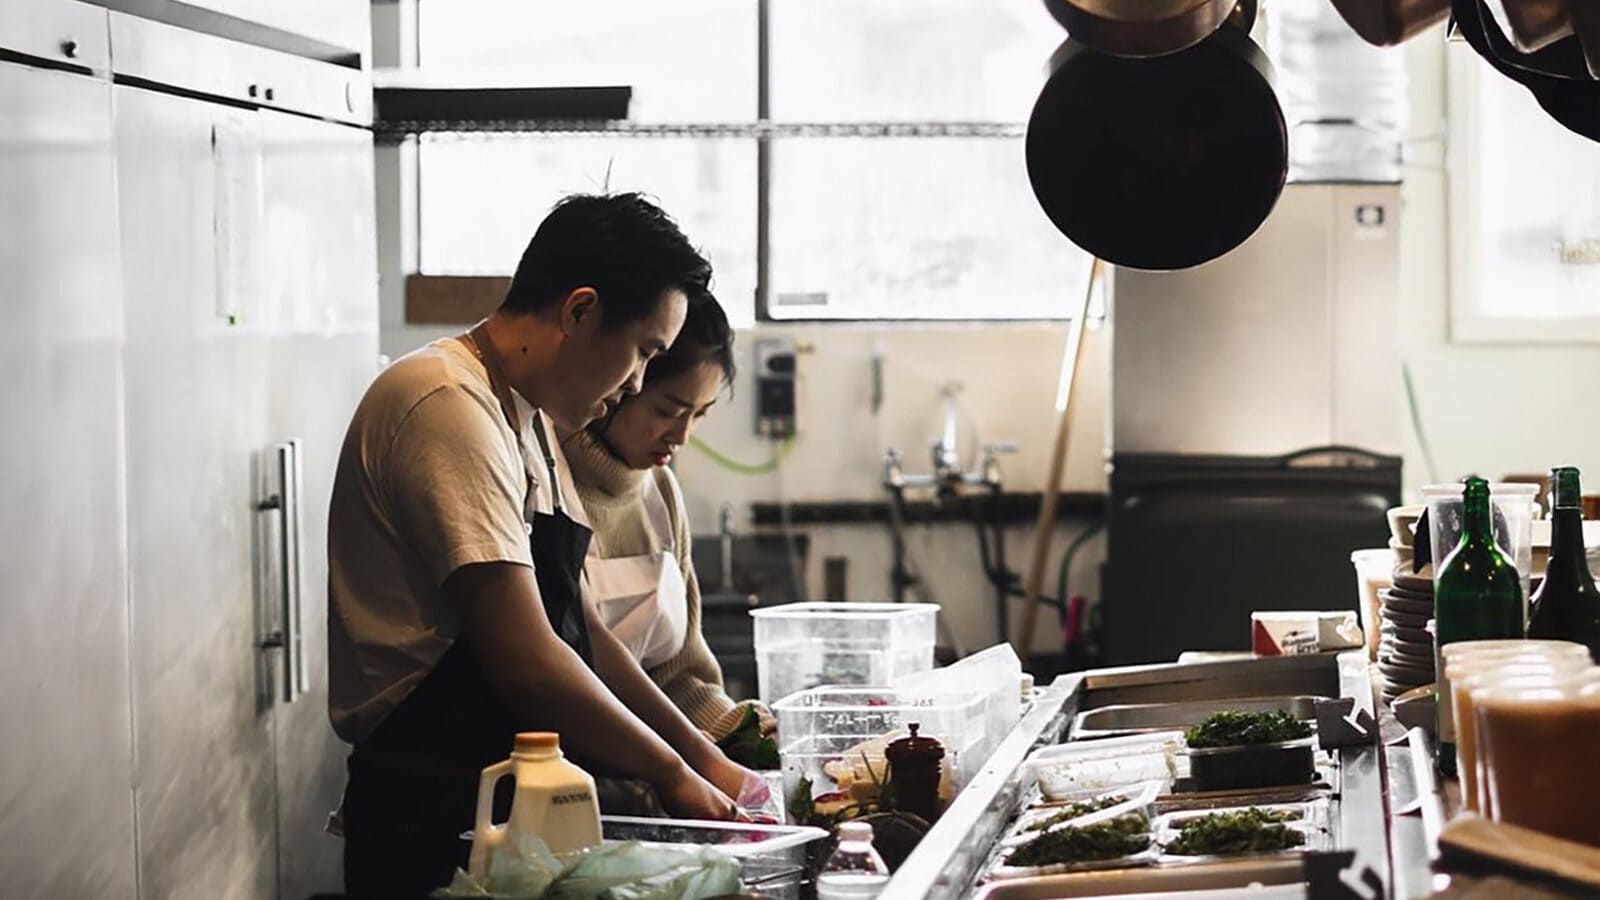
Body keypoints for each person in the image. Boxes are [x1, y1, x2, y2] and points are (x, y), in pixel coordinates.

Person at [327, 193, 747, 898]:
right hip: (433, 815)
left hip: (503, 807)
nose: (639, 383)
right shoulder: (446, 405)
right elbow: (528, 659)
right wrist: (669, 773)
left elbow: (582, 633)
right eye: (643, 353)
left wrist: (707, 758)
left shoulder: (525, 420)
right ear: (579, 311)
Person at [562, 288, 775, 746]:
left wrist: (744, 731)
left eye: (699, 415)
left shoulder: (660, 493)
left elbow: (681, 675)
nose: (681, 435)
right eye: (667, 411)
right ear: (621, 384)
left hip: (654, 772)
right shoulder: (549, 483)